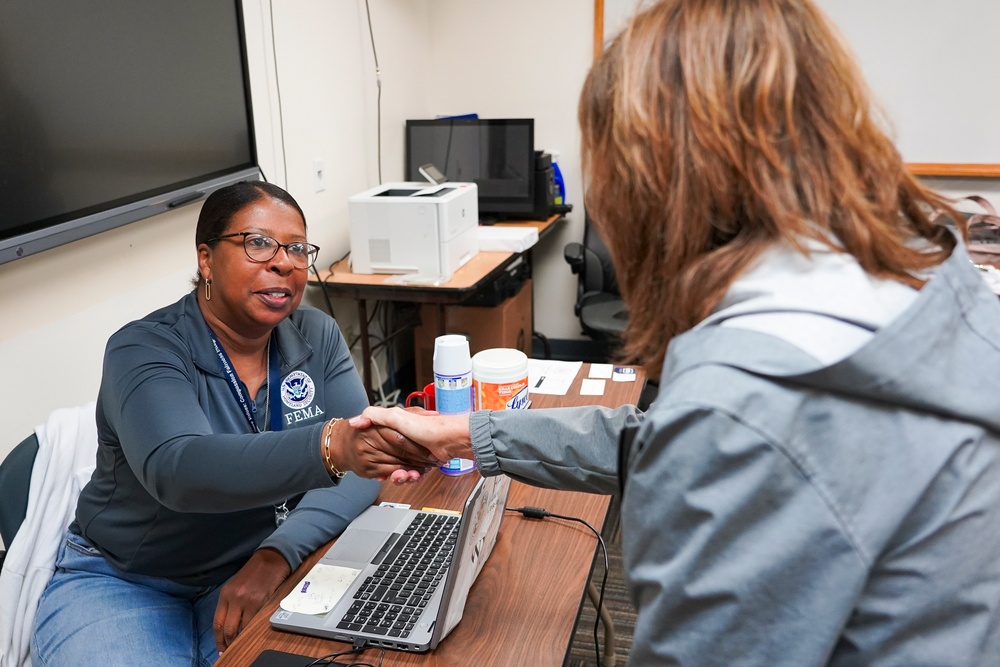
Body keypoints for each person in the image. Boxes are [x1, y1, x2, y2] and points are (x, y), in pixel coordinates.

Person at [356, 0, 1000, 664]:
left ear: (651, 177)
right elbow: (664, 439)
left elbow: (720, 435)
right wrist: (464, 432)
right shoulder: (919, 275)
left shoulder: (745, 411)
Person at [31, 181, 433, 667]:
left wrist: (277, 555)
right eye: (258, 243)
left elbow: (357, 474)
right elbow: (179, 470)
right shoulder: (144, 349)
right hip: (126, 580)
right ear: (206, 260)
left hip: (253, 563)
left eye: (298, 249)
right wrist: (333, 444)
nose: (284, 262)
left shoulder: (315, 335)